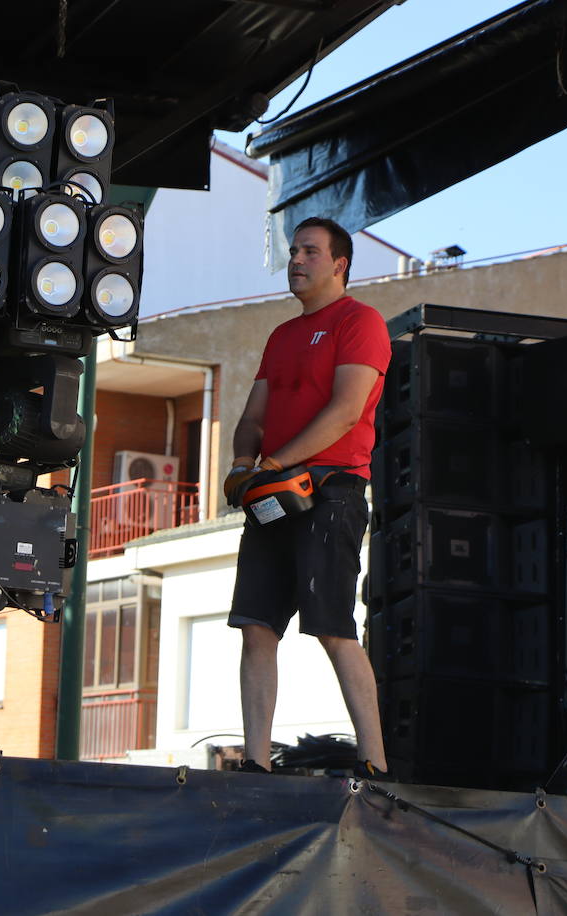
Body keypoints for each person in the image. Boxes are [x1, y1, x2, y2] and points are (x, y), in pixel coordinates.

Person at [223, 216, 391, 778]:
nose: (296, 260)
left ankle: (375, 763)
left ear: (339, 263)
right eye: (293, 251)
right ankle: (255, 760)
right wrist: (243, 465)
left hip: (331, 489)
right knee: (255, 623)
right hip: (273, 490)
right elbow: (252, 417)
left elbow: (346, 411)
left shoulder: (360, 322)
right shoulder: (283, 335)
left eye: (310, 252)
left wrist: (270, 464)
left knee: (332, 625)